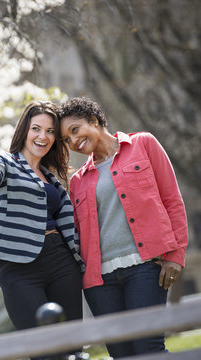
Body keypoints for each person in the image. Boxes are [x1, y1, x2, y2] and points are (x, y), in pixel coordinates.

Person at [58, 97, 188, 358]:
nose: (73, 142)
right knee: (121, 353)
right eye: (66, 140)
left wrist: (176, 255)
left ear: (94, 120)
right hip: (99, 282)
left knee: (148, 347)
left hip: (145, 268)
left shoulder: (143, 144)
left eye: (75, 130)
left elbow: (172, 200)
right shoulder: (77, 182)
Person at [0, 101, 85, 332]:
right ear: (24, 130)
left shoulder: (51, 176)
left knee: (72, 338)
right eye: (36, 128)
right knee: (39, 344)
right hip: (18, 265)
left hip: (60, 259)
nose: (43, 136)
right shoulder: (4, 161)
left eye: (50, 131)